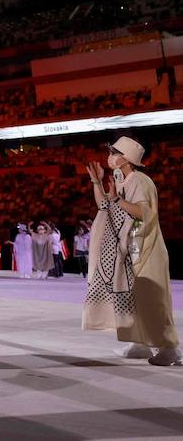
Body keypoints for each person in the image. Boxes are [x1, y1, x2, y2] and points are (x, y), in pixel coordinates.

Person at [83, 137, 179, 366]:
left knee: (152, 300)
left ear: (125, 157)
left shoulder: (140, 180)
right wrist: (97, 184)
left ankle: (169, 349)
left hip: (146, 249)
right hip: (129, 251)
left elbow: (142, 212)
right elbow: (104, 206)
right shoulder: (122, 180)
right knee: (133, 300)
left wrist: (116, 198)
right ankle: (140, 343)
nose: (110, 155)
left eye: (114, 151)